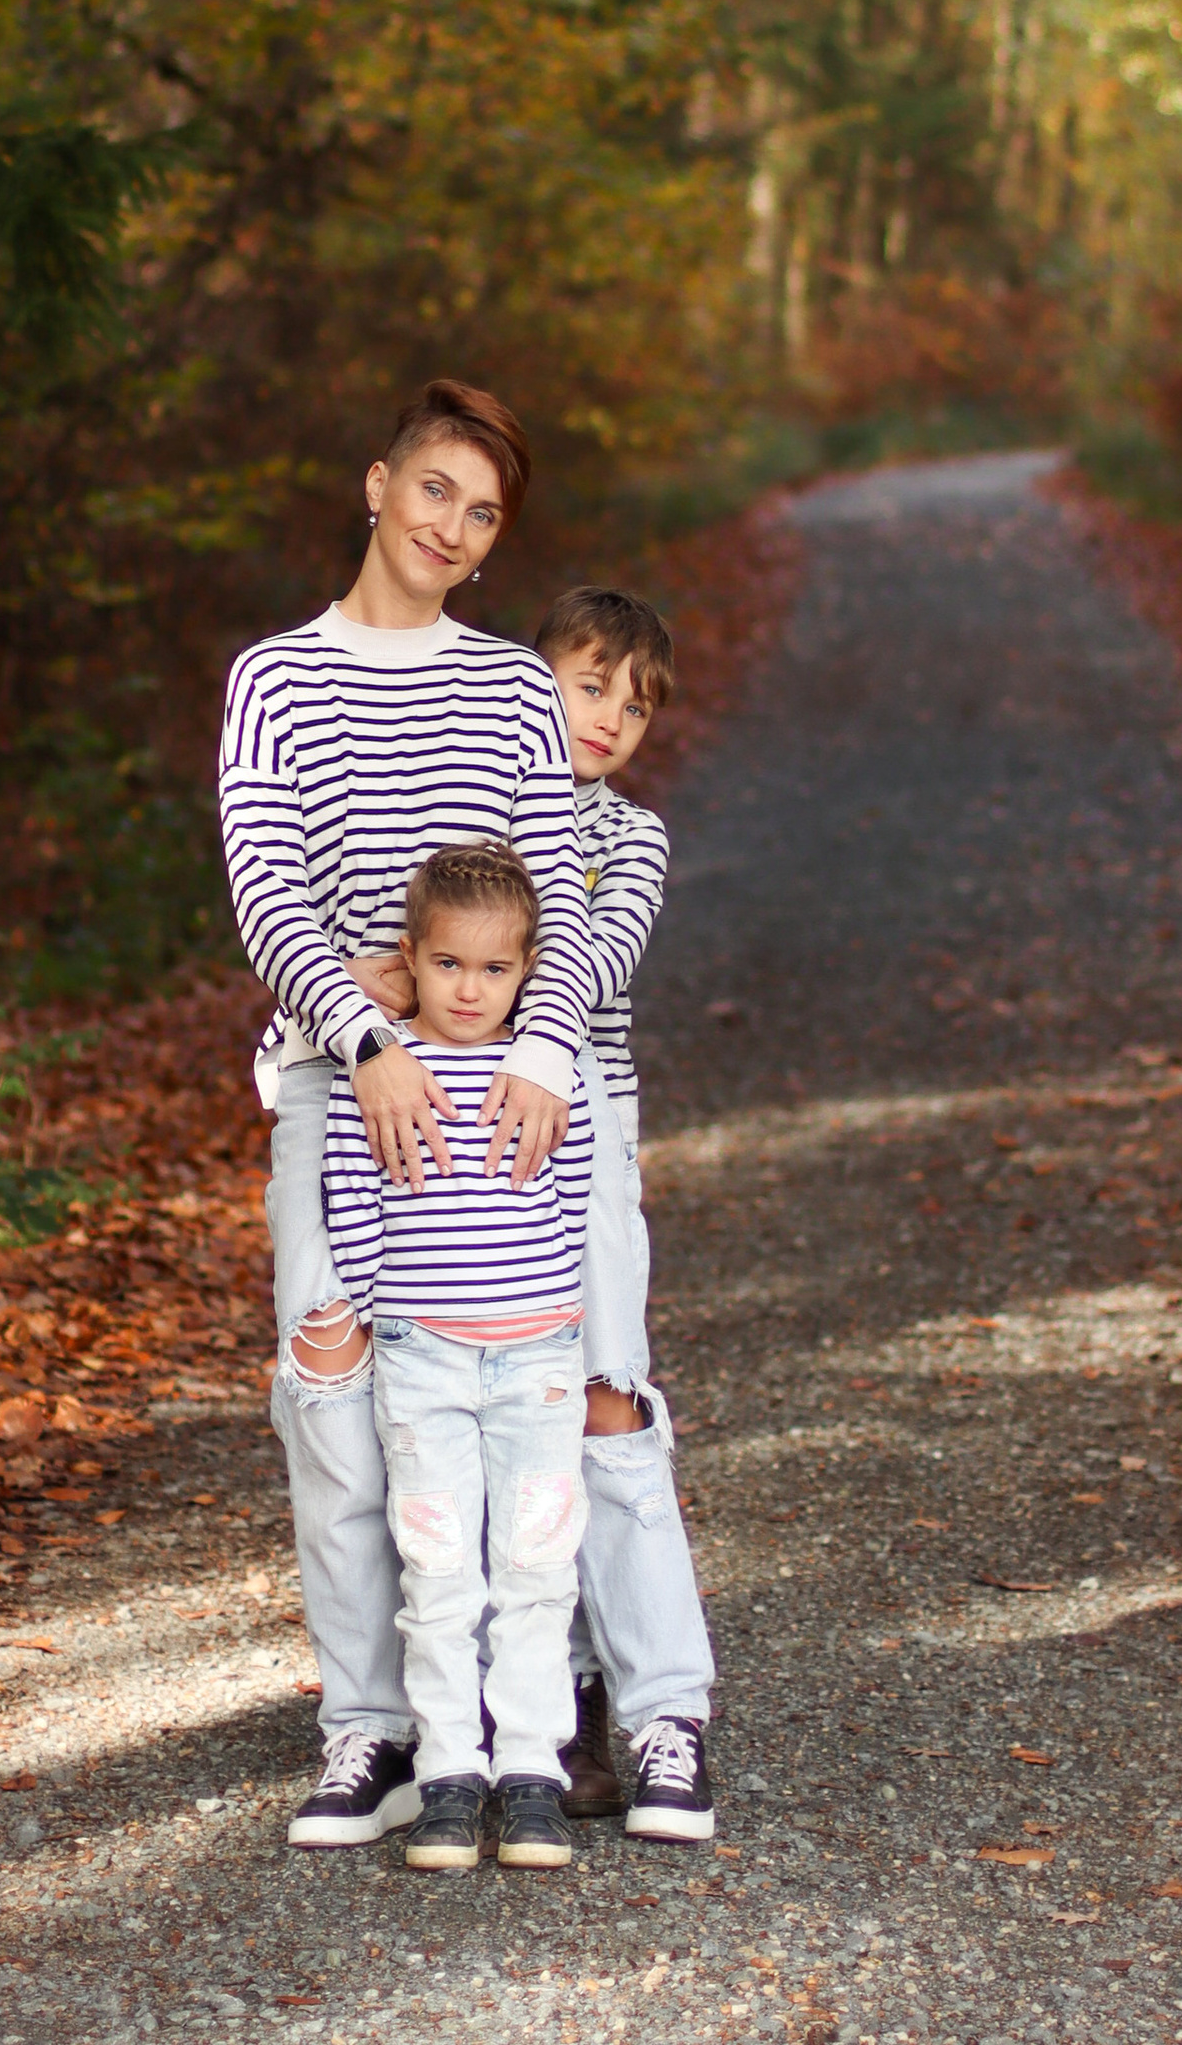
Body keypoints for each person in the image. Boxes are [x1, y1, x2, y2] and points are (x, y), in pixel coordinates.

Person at [217, 381, 597, 1850]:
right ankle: (370, 1729)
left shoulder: (510, 689)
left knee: (512, 1403)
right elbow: (267, 888)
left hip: (504, 1096)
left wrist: (547, 1056)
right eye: (435, 489)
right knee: (335, 1401)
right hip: (338, 1080)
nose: (451, 525)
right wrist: (364, 1033)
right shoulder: (276, 677)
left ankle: (509, 1720)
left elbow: (553, 894)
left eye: (483, 511)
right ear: (378, 485)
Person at [322, 844, 595, 1871]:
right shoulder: (384, 1067)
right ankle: (448, 1774)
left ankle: (531, 1771)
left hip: (536, 1358)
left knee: (532, 1567)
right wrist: (378, 1317)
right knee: (437, 1571)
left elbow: (569, 1203)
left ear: (525, 971)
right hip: (422, 1358)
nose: (469, 990)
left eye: (493, 969)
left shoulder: (543, 1075)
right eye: (447, 966)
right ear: (412, 958)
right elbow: (353, 1207)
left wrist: (558, 1322)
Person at [537, 587, 718, 1842]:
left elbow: (593, 963)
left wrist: (478, 978)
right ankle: (547, 1701)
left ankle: (662, 1707)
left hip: (584, 1122)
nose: (610, 717)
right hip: (452, 1135)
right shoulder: (463, 794)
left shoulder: (629, 839)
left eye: (636, 701)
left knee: (604, 1398)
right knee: (491, 1417)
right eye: (590, 681)